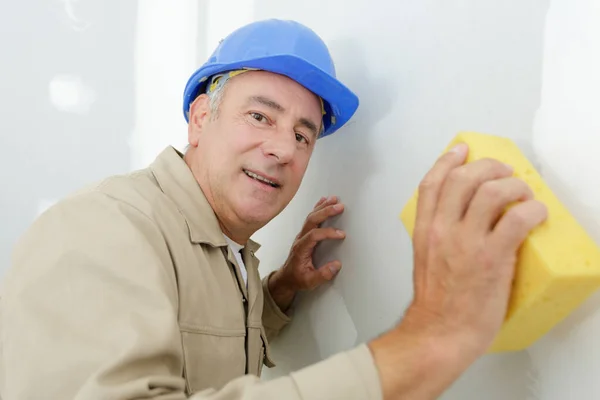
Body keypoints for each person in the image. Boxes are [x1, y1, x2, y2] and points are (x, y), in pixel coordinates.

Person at [0, 18, 547, 400]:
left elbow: (196, 337)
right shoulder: (103, 228)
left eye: (303, 134)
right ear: (198, 118)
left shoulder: (229, 252)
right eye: (261, 116)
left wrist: (277, 290)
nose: (284, 149)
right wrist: (428, 338)